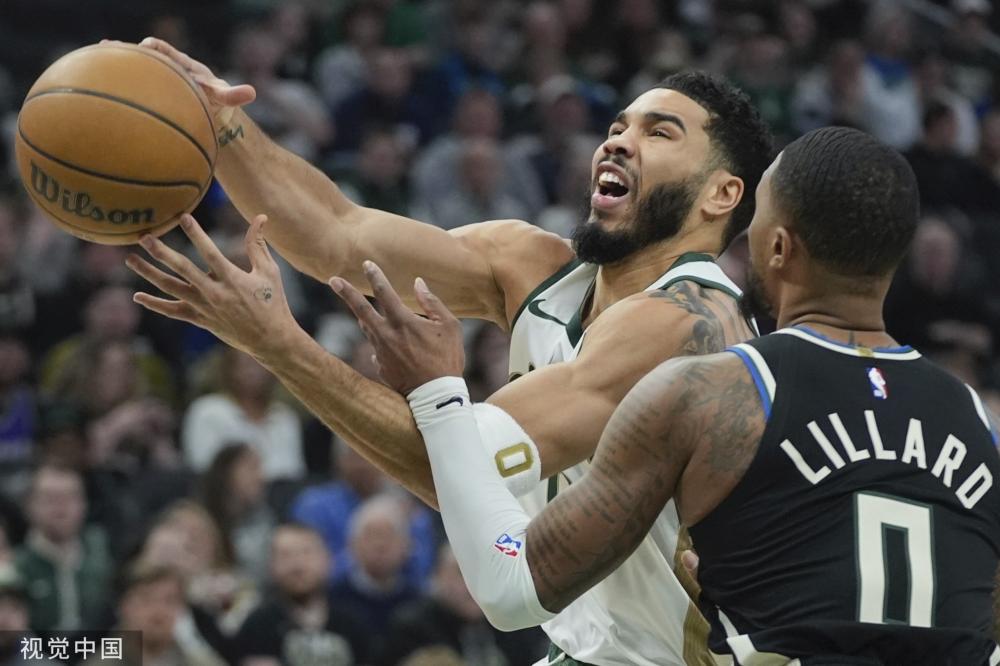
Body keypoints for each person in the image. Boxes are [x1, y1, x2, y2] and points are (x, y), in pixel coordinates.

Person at [127, 37, 772, 666]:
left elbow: (458, 471)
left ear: (721, 194)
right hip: (582, 646)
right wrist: (223, 126)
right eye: (619, 125)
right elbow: (336, 235)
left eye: (659, 134)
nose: (619, 140)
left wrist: (279, 344)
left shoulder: (690, 324)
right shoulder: (533, 266)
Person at [358, 126, 1000, 665]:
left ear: (777, 246)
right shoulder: (975, 418)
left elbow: (510, 586)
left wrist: (440, 393)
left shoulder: (716, 390)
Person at [235, 523, 370, 665]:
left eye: (307, 552)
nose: (297, 564)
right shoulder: (257, 626)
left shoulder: (354, 624)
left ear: (328, 560)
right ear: (271, 566)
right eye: (285, 555)